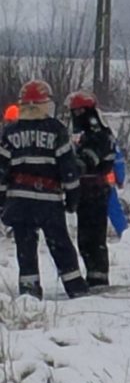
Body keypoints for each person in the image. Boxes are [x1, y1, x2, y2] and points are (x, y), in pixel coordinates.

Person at [0, 80, 89, 299]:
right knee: (60, 245)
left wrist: (2, 201)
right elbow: (68, 169)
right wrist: (73, 199)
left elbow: (2, 170)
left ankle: (29, 292)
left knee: (25, 248)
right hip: (49, 201)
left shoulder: (9, 131)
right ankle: (76, 287)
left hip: (19, 201)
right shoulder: (56, 129)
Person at [65, 91, 116, 288]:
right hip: (87, 191)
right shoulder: (87, 133)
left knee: (94, 238)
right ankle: (94, 275)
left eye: (77, 112)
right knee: (86, 238)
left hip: (95, 190)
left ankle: (98, 278)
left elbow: (87, 160)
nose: (75, 117)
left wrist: (68, 169)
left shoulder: (99, 134)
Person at [107, 141, 128, 237]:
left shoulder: (80, 138)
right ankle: (124, 234)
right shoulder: (109, 141)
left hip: (84, 184)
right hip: (106, 183)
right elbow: (118, 162)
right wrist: (120, 180)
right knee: (114, 209)